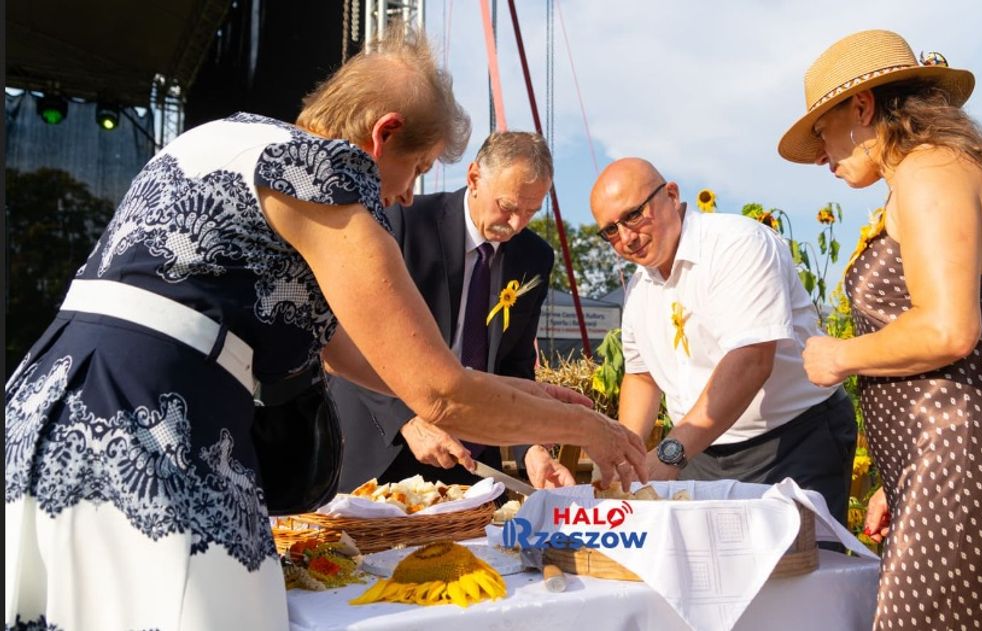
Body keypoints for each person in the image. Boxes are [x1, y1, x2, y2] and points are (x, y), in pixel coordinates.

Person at [4, 27, 646, 631]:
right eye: (416, 168)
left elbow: (355, 354)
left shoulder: (220, 136)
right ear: (382, 134)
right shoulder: (325, 173)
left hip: (51, 404)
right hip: (147, 422)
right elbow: (438, 393)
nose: (403, 196)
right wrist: (585, 426)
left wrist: (538, 401)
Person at [781, 29, 982, 630]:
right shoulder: (930, 172)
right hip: (942, 464)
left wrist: (839, 356)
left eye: (821, 131)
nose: (822, 154)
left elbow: (950, 329)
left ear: (862, 106)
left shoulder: (931, 169)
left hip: (957, 463)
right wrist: (898, 479)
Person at [589, 157, 857, 526]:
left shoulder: (737, 244)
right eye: (611, 231)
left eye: (634, 215)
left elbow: (751, 360)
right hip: (698, 454)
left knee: (796, 575)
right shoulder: (639, 286)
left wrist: (668, 454)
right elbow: (641, 376)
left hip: (792, 444)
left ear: (671, 194)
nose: (627, 238)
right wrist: (627, 456)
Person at [330, 131, 576, 490]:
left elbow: (514, 365)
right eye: (507, 207)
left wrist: (531, 446)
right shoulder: (404, 220)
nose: (517, 224)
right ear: (474, 177)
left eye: (531, 211)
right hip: (380, 445)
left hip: (471, 459)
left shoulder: (533, 256)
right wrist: (408, 419)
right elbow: (354, 335)